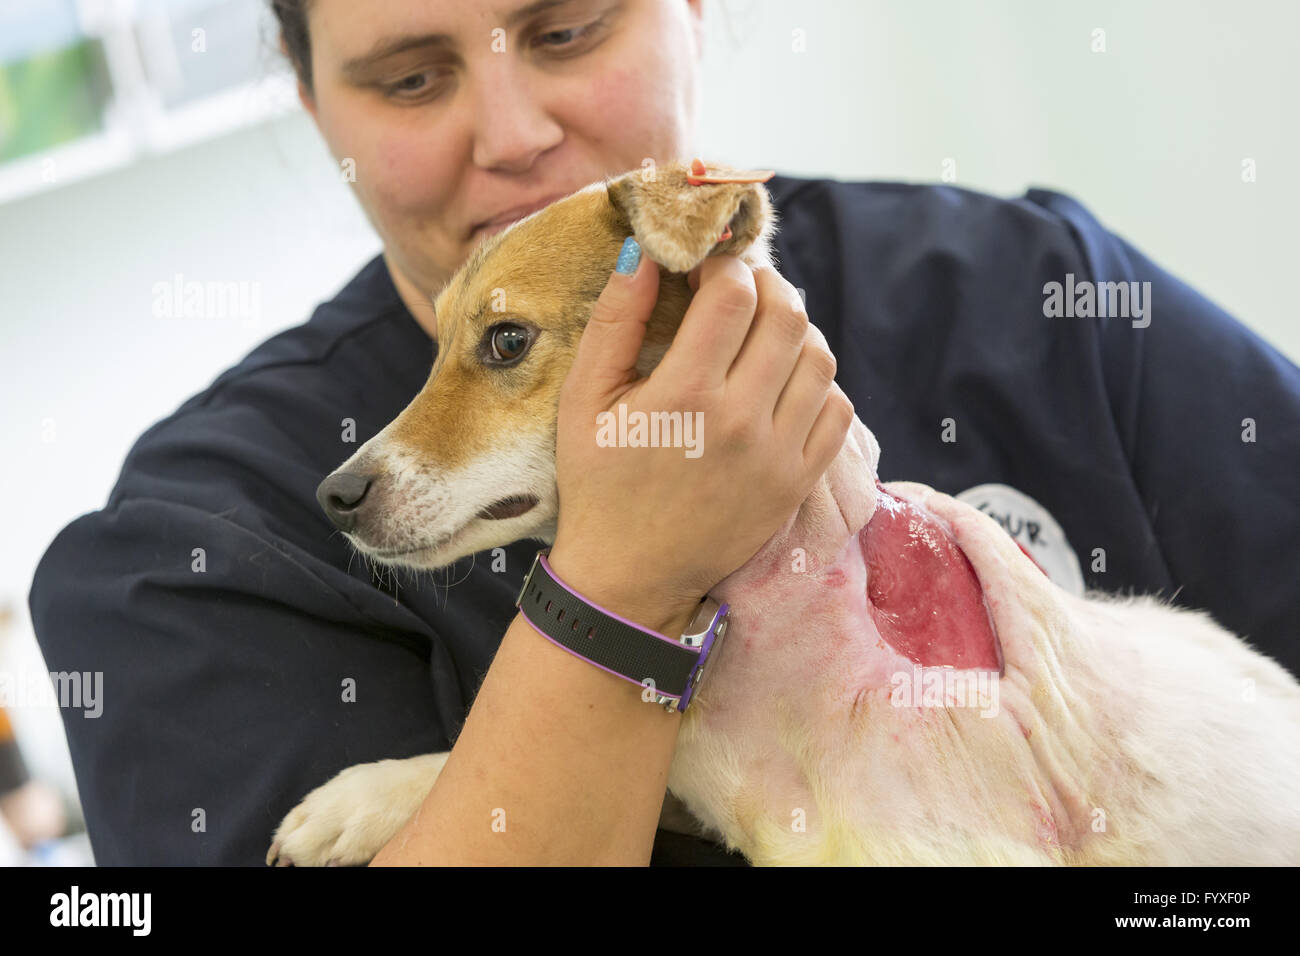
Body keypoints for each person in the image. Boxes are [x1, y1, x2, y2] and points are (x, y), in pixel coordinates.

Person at [29, 0, 1300, 866]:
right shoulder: (180, 555)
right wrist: (622, 586)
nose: (515, 131)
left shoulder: (1042, 291)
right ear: (314, 108)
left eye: (569, 27)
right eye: (411, 77)